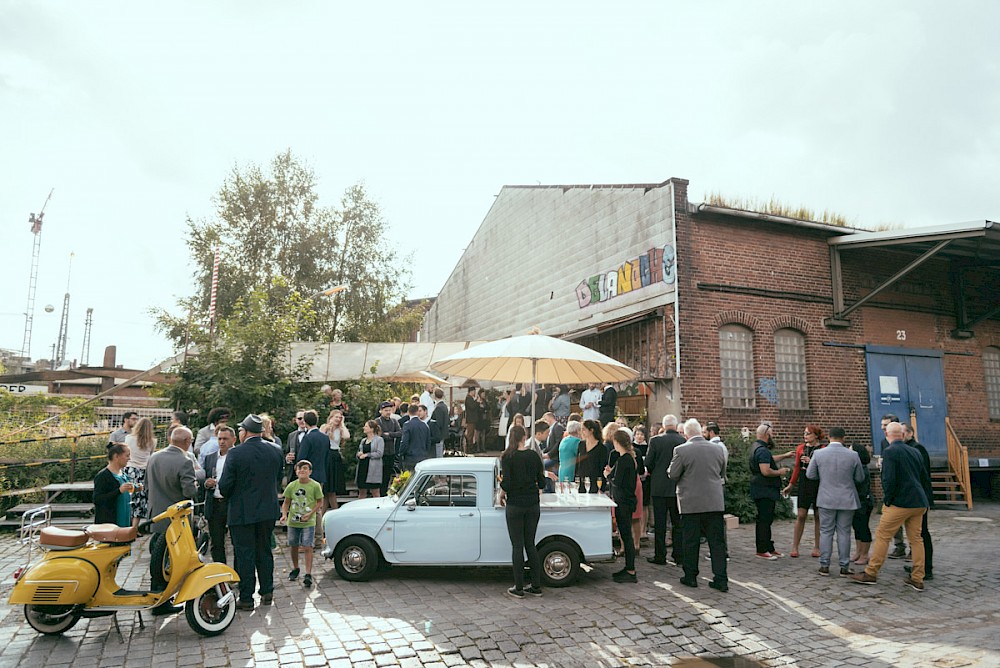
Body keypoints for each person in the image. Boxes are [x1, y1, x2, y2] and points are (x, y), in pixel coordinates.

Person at [851, 421, 931, 591]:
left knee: (882, 535)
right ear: (902, 435)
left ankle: (871, 573)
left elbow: (888, 480)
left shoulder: (889, 452)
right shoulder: (915, 451)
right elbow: (924, 477)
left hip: (900, 502)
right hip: (918, 501)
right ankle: (918, 577)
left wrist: (887, 500)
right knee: (916, 539)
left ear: (887, 435)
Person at [219, 414, 284, 610]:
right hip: (267, 508)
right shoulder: (276, 450)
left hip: (242, 511)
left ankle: (246, 597)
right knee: (264, 551)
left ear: (245, 432)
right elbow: (278, 477)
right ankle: (267, 591)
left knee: (245, 553)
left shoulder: (236, 453)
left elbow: (225, 485)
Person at [668, 418, 729, 592]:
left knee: (691, 541)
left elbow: (672, 474)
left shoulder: (681, 450)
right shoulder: (718, 449)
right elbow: (721, 473)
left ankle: (691, 576)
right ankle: (721, 579)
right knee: (717, 543)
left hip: (691, 502)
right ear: (701, 432)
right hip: (714, 502)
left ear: (686, 434)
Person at [146, 426, 199, 615]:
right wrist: (197, 482)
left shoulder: (154, 457)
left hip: (156, 514)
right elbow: (189, 492)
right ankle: (163, 601)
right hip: (175, 519)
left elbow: (146, 486)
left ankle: (156, 596)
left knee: (157, 559)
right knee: (170, 561)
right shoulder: (184, 461)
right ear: (187, 442)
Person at [806, 426, 865, 577]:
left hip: (826, 497)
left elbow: (810, 474)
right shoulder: (853, 455)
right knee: (844, 532)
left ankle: (824, 564)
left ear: (829, 437)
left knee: (826, 531)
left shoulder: (819, 454)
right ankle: (844, 566)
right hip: (847, 498)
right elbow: (860, 478)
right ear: (843, 438)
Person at [498, 424, 546, 599]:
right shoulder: (533, 456)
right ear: (524, 437)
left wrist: (501, 494)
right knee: (530, 544)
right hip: (532, 503)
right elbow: (542, 482)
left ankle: (518, 587)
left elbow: (507, 483)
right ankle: (536, 585)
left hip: (515, 504)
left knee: (517, 546)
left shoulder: (507, 457)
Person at [645, 414, 685, 566]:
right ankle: (678, 555)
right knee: (677, 524)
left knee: (660, 524)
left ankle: (660, 555)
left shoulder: (656, 440)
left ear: (664, 425)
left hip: (659, 487)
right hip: (676, 486)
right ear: (675, 426)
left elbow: (648, 462)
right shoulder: (682, 441)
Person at [782, 425, 826, 558]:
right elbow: (796, 467)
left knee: (819, 516)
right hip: (804, 483)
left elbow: (825, 467)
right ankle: (795, 546)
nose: (805, 436)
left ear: (816, 435)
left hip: (818, 483)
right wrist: (791, 484)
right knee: (801, 515)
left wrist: (811, 461)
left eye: (808, 433)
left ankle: (817, 547)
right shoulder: (801, 448)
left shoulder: (823, 449)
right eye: (804, 433)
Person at [280, 460, 324, 588]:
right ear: (296, 471)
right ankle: (295, 568)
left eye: (305, 468)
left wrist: (311, 514)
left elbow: (320, 502)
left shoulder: (315, 486)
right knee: (293, 544)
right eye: (299, 469)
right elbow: (286, 502)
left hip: (308, 521)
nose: (302, 471)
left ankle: (308, 573)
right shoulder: (292, 485)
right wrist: (284, 514)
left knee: (307, 546)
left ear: (310, 471)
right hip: (293, 521)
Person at [750, 423, 790, 560]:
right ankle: (762, 549)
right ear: (767, 435)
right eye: (772, 434)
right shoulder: (762, 450)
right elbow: (765, 470)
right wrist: (780, 472)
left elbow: (768, 459)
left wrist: (784, 456)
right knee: (764, 520)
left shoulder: (758, 448)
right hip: (764, 490)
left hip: (761, 489)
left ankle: (769, 546)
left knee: (766, 519)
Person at [902, 423, 935, 580]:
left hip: (919, 498)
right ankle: (919, 564)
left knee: (921, 533)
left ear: (909, 433)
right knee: (915, 533)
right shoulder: (910, 447)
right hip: (916, 497)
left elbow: (921, 475)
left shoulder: (917, 448)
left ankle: (926, 568)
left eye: (902, 433)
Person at [605, 430, 638, 583]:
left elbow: (618, 481)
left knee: (626, 536)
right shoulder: (627, 458)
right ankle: (629, 568)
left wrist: (608, 475)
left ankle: (631, 570)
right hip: (625, 500)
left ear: (617, 442)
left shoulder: (625, 459)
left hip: (624, 501)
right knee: (625, 535)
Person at [203, 425, 236, 565]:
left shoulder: (237, 456)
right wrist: (206, 483)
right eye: (220, 438)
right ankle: (220, 574)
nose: (222, 442)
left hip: (232, 503)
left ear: (233, 439)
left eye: (225, 439)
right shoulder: (210, 458)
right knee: (216, 543)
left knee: (236, 541)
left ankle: (237, 573)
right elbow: (204, 477)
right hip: (215, 503)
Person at [122, 416, 156, 527]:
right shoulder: (152, 441)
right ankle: (135, 527)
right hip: (144, 471)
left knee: (129, 496)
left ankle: (126, 524)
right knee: (140, 500)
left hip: (130, 469)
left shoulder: (128, 438)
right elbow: (151, 456)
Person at [94, 443, 133, 527]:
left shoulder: (123, 473)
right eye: (127, 456)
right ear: (116, 456)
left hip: (125, 520)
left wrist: (135, 488)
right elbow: (97, 499)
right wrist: (118, 491)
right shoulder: (103, 476)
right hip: (111, 524)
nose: (129, 458)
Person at [317, 409, 349, 511]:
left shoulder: (340, 429)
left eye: (340, 417)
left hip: (335, 455)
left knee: (331, 489)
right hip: (326, 455)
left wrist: (342, 424)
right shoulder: (324, 427)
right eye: (336, 417)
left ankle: (330, 513)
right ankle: (326, 514)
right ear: (331, 417)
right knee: (327, 489)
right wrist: (329, 426)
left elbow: (347, 436)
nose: (338, 419)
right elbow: (320, 436)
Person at [850, 439, 874, 565]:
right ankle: (858, 551)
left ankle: (865, 554)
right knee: (857, 527)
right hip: (856, 501)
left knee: (863, 527)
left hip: (864, 502)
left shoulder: (862, 469)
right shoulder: (856, 467)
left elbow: (860, 484)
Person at [375, 401, 402, 496]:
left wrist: (389, 434)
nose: (388, 412)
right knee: (380, 475)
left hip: (391, 452)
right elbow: (378, 434)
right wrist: (386, 435)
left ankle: (385, 492)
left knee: (387, 475)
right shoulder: (377, 421)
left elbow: (399, 433)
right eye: (386, 410)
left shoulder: (394, 421)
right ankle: (380, 493)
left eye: (389, 410)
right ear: (381, 411)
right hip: (381, 453)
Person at [576, 420, 608, 493]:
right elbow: (577, 463)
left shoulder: (601, 448)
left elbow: (603, 467)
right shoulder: (581, 444)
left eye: (584, 430)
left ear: (591, 430)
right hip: (582, 482)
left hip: (595, 483)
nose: (582, 432)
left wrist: (602, 488)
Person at [356, 420, 385, 499]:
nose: (364, 428)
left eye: (366, 426)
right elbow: (360, 450)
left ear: (371, 429)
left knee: (375, 491)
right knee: (362, 491)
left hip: (373, 468)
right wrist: (359, 454)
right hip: (363, 467)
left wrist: (367, 455)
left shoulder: (379, 440)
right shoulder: (363, 440)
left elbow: (379, 453)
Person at [398, 404, 431, 471]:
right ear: (417, 412)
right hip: (423, 456)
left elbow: (405, 441)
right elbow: (428, 442)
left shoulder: (407, 425)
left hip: (410, 457)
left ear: (408, 412)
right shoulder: (425, 425)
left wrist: (401, 453)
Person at [633, 425, 651, 542]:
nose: (639, 436)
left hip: (646, 479)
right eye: (637, 434)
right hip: (635, 479)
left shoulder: (648, 447)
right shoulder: (632, 447)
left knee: (645, 505)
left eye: (641, 434)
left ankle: (644, 530)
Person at [429, 388, 450, 458]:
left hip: (439, 434)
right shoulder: (444, 406)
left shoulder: (439, 407)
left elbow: (439, 423)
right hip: (443, 432)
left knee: (438, 453)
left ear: (435, 396)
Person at [464, 388, 481, 453]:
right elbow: (472, 407)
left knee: (472, 434)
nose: (475, 393)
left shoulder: (470, 398)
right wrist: (477, 402)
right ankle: (469, 448)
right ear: (471, 391)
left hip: (473, 419)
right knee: (470, 434)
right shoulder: (468, 398)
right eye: (474, 391)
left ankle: (471, 447)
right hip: (470, 419)